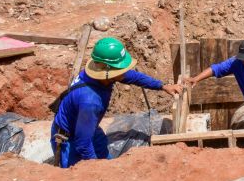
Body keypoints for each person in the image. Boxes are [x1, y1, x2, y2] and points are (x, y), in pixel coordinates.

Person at [50, 37, 180, 168]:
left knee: (109, 163)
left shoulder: (99, 73)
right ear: (108, 70)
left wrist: (162, 86)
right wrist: (96, 169)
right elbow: (83, 144)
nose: (125, 72)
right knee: (82, 177)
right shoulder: (90, 101)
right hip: (70, 140)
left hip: (88, 126)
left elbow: (133, 77)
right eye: (121, 69)